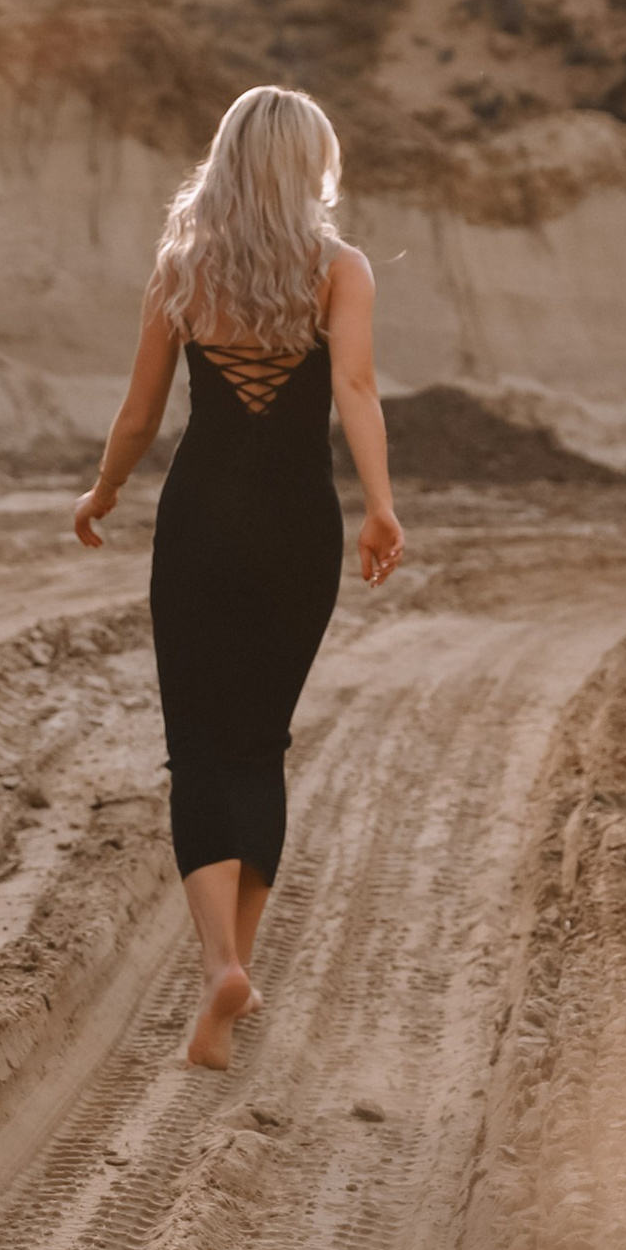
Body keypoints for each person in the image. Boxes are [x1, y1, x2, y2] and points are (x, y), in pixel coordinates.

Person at [73, 83, 404, 1069]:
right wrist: (381, 507)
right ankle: (237, 969)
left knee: (199, 746)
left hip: (201, 525)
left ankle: (219, 960)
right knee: (261, 744)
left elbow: (140, 412)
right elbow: (355, 387)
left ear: (226, 162)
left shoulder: (182, 267)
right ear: (310, 167)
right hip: (297, 526)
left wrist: (102, 491)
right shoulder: (341, 270)